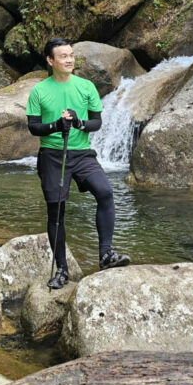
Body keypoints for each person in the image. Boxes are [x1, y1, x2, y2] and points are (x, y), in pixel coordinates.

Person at [26, 37, 131, 290]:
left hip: (82, 153)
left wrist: (78, 123)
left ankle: (106, 254)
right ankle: (62, 269)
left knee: (105, 192)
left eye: (71, 55)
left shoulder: (86, 87)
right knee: (57, 212)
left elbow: (97, 122)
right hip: (52, 155)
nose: (69, 59)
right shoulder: (39, 91)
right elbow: (33, 127)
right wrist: (55, 126)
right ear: (50, 61)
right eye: (63, 56)